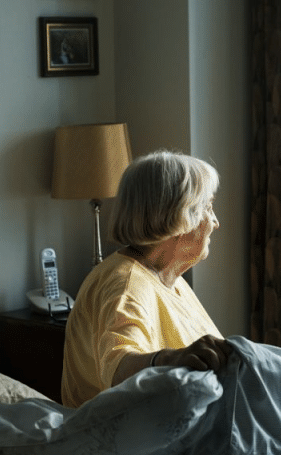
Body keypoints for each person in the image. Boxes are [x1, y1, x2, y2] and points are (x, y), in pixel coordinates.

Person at [61, 150, 233, 408]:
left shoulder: (167, 279)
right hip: (123, 438)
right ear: (180, 216)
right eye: (208, 207)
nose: (215, 222)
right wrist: (172, 360)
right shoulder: (126, 284)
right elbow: (118, 367)